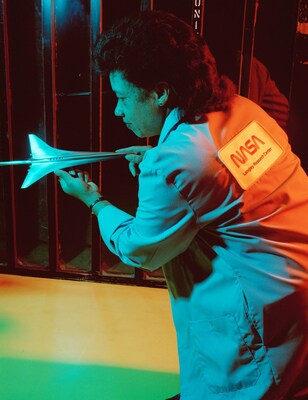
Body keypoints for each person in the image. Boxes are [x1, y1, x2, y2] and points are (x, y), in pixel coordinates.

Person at [54, 11, 308, 400]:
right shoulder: (243, 110)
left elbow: (142, 250)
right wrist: (164, 156)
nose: (118, 111)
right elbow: (225, 181)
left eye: (122, 97)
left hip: (260, 317)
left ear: (160, 92)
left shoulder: (176, 162)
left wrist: (94, 200)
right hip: (293, 294)